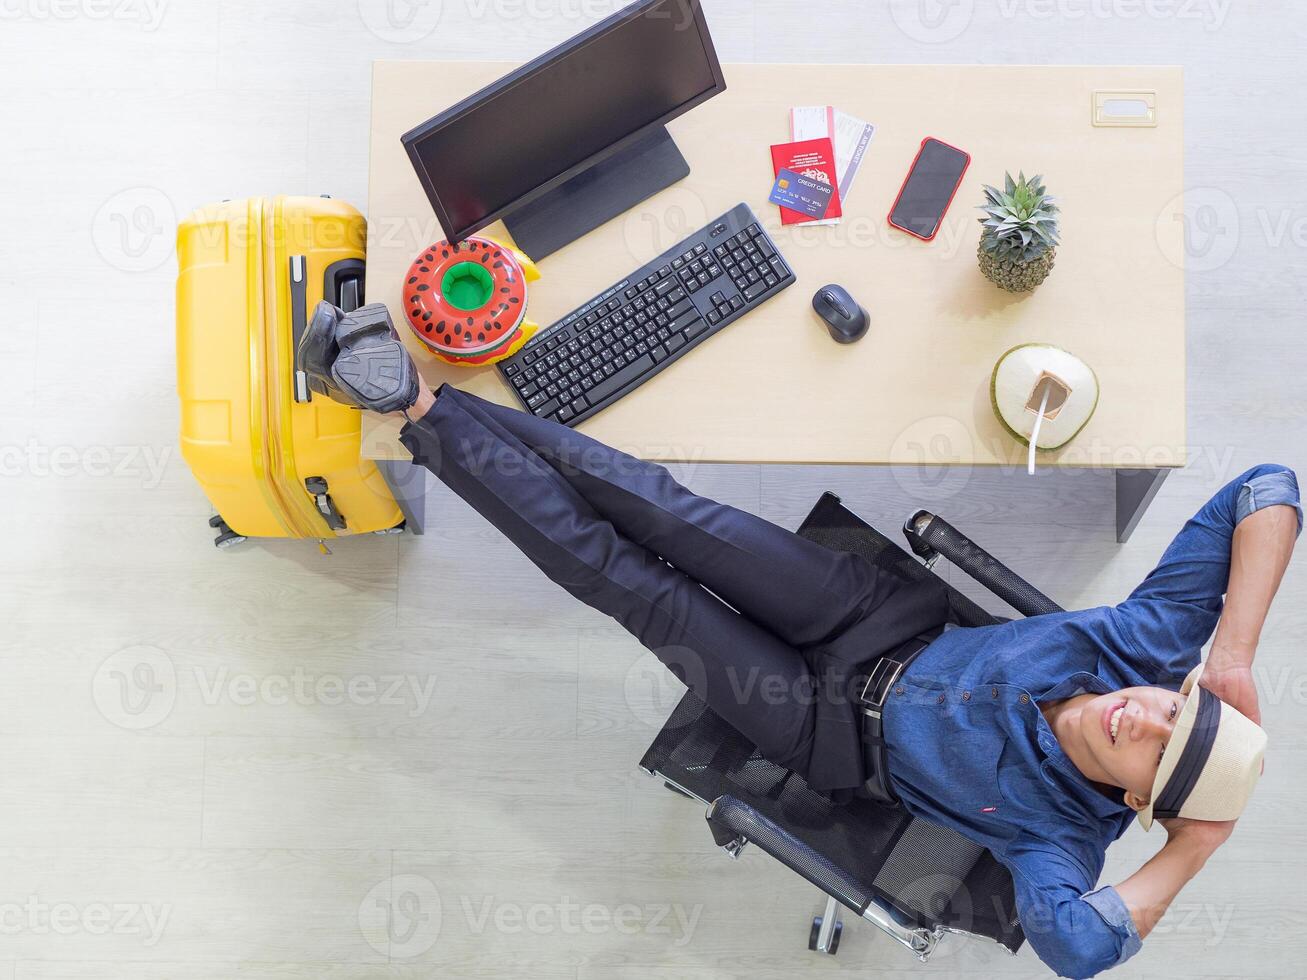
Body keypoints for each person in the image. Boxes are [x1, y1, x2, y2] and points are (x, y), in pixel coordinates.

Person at [300, 302, 1299, 979]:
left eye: (1147, 746)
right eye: (1172, 708)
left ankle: (408, 406)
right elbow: (1265, 485)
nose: (1141, 711)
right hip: (873, 621)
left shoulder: (1058, 841)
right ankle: (437, 402)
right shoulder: (1143, 649)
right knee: (665, 511)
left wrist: (1195, 844)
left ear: (1132, 798)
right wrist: (1234, 650)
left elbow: (1076, 949)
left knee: (629, 584)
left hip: (826, 731)